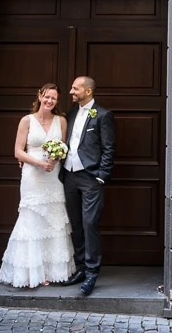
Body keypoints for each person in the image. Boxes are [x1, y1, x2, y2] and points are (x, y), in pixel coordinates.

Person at [0, 83, 76, 288]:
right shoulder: (27, 120)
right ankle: (31, 272)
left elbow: (64, 148)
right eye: (47, 97)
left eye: (54, 99)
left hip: (53, 176)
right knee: (32, 218)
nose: (50, 101)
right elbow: (18, 151)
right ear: (40, 97)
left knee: (53, 219)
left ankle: (52, 269)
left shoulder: (61, 121)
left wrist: (54, 160)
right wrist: (40, 163)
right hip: (33, 175)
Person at [61, 76, 116, 296]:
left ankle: (92, 272)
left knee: (90, 222)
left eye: (75, 88)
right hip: (69, 175)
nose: (71, 91)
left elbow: (109, 148)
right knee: (75, 222)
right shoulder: (72, 113)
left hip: (91, 177)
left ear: (88, 91)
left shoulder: (103, 115)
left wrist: (101, 176)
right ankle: (81, 267)